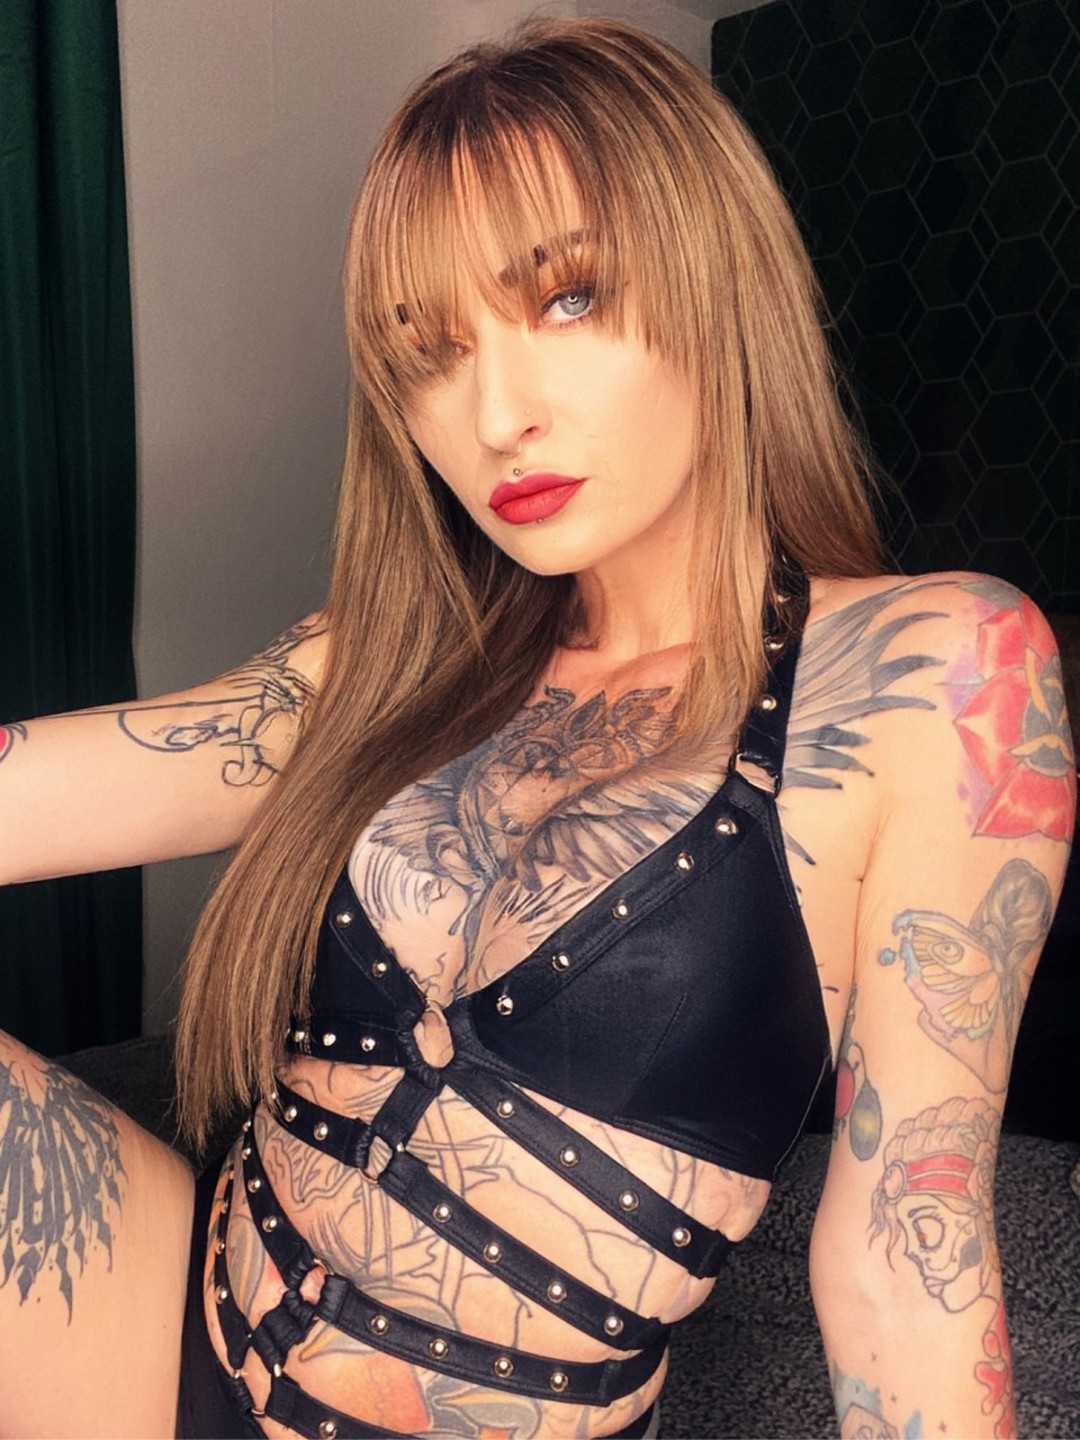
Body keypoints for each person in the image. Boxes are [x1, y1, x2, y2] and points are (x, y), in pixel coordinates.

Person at [0, 18, 1073, 1440]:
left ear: (714, 274)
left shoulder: (934, 670)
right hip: (163, 1327)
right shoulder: (384, 660)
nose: (496, 414)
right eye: (429, 353)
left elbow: (902, 1260)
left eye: (566, 299)